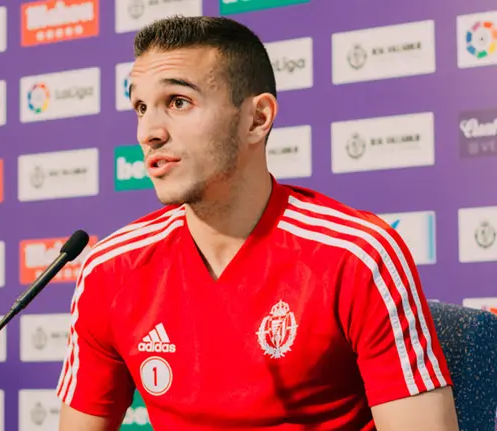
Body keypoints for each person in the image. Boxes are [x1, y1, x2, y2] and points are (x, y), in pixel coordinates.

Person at [55, 15, 459, 431]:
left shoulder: (358, 255)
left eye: (178, 102)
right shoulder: (109, 271)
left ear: (257, 119)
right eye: (141, 107)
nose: (149, 132)